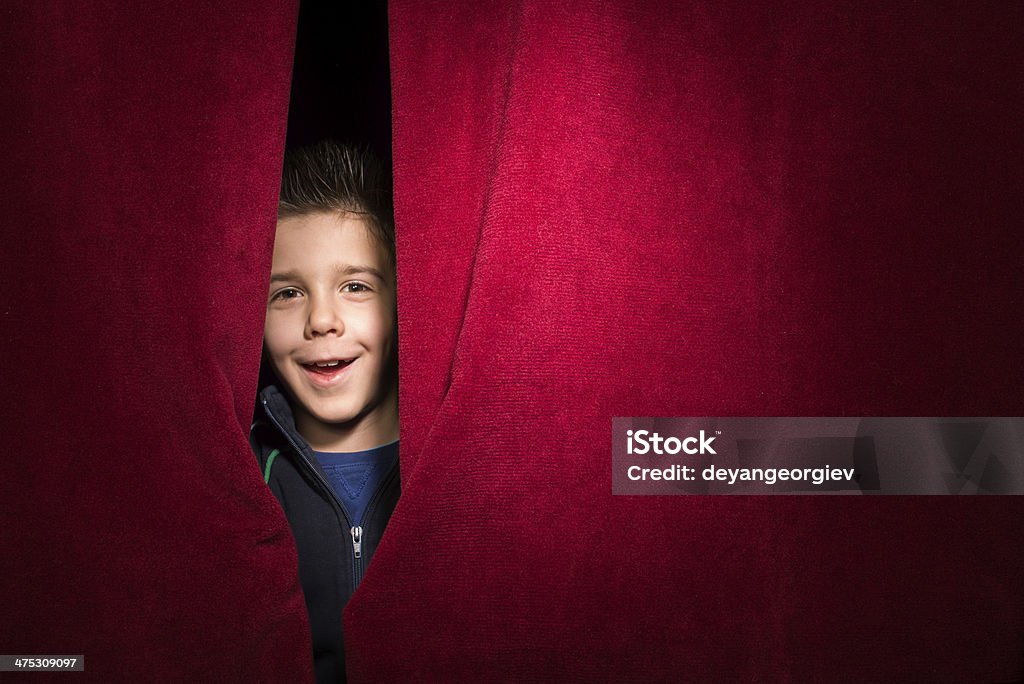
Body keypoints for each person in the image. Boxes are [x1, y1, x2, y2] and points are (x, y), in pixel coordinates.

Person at [249, 141, 400, 683]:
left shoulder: (444, 462)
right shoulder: (242, 470)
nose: (321, 320)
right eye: (287, 293)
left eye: (355, 286)